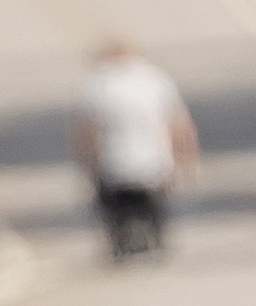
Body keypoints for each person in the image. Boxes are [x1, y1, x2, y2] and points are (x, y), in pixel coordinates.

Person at [74, 36, 196, 260]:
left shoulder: (97, 84)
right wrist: (186, 159)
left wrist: (87, 162)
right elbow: (178, 124)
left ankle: (117, 243)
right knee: (158, 201)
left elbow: (86, 130)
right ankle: (158, 238)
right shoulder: (154, 78)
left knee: (108, 203)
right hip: (154, 163)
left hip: (113, 166)